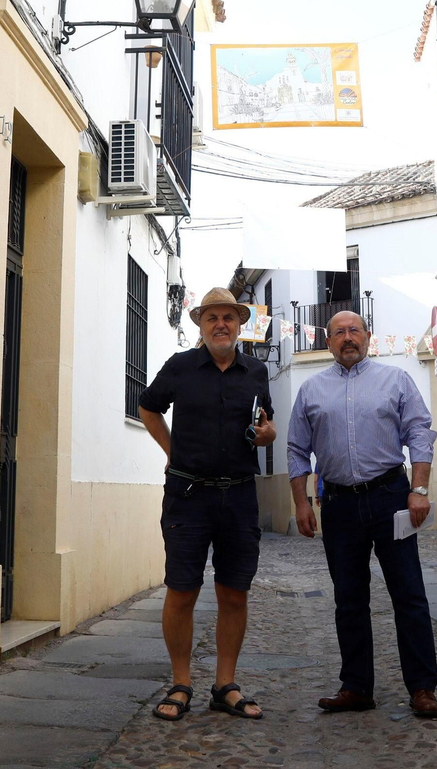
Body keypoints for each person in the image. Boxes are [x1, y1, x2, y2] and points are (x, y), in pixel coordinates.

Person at [287, 310, 437, 719]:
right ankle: (356, 687)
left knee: (408, 594)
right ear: (328, 341)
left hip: (391, 497)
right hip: (338, 505)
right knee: (348, 599)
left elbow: (419, 432)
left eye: (354, 330)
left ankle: (422, 688)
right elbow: (297, 449)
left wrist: (419, 490)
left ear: (368, 336)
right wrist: (301, 502)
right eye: (339, 332)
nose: (348, 337)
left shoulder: (396, 380)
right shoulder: (311, 390)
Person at [136, 287, 277, 722]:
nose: (220, 324)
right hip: (188, 496)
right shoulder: (180, 366)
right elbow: (147, 408)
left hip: (239, 496)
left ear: (239, 325)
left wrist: (268, 434)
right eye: (212, 317)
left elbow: (265, 422)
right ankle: (180, 683)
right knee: (182, 591)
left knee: (234, 592)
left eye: (228, 318)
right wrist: (172, 451)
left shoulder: (256, 371)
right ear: (200, 324)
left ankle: (224, 686)